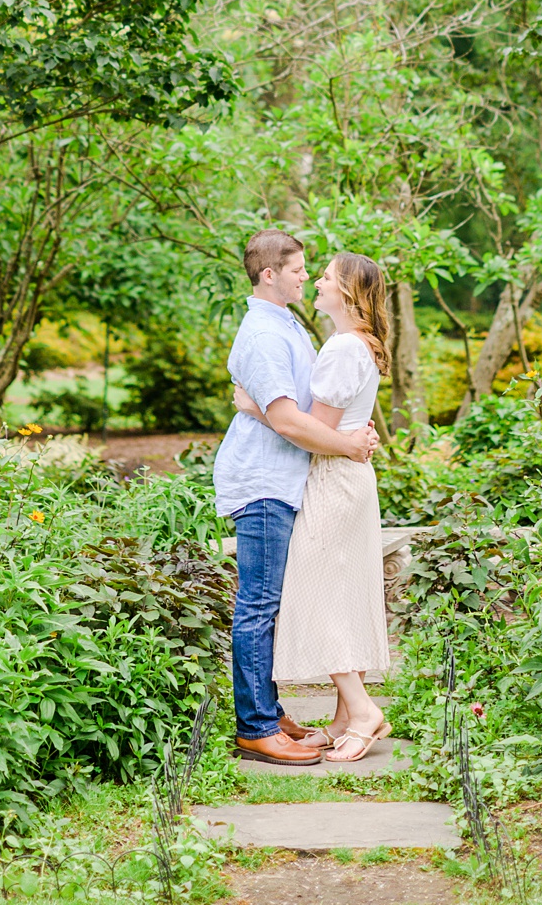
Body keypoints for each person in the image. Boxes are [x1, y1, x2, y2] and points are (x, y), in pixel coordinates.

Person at [212, 230, 378, 767]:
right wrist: (350, 444)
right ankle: (256, 728)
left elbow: (314, 406)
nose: (307, 275)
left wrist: (354, 431)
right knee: (258, 603)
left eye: (314, 270)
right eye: (300, 268)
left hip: (290, 477)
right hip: (265, 479)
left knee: (271, 602)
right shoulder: (263, 332)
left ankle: (270, 712)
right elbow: (288, 419)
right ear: (269, 274)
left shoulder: (287, 325)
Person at [256, 252, 395, 762]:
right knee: (342, 592)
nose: (316, 280)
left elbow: (314, 433)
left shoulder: (342, 347)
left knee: (315, 595)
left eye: (327, 277)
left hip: (333, 479)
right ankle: (342, 717)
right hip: (350, 475)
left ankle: (362, 711)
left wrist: (257, 406)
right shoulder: (357, 344)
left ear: (349, 292)